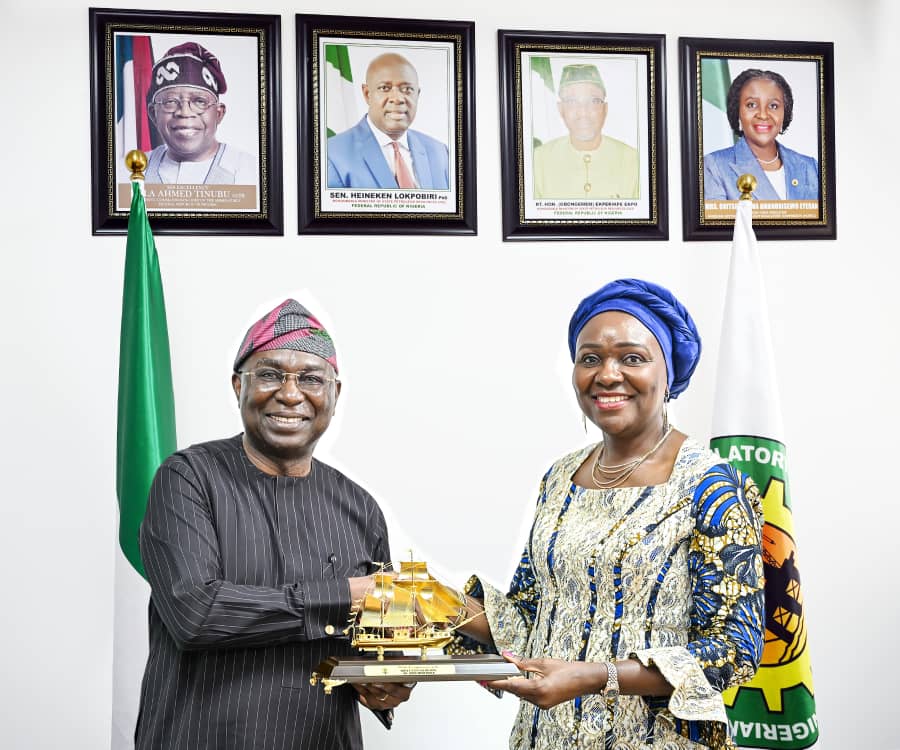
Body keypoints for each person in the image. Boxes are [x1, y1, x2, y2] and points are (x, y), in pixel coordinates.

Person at [446, 279, 764, 749]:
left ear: (669, 372)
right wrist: (433, 602)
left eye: (632, 358)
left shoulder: (712, 486)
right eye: (590, 358)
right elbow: (529, 618)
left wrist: (595, 676)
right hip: (543, 738)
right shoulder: (561, 477)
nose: (608, 374)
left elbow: (733, 650)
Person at [135, 299, 412, 750]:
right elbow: (195, 614)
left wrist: (390, 680)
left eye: (311, 378)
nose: (290, 393)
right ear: (238, 386)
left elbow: (384, 640)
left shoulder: (360, 509)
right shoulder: (188, 479)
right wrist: (341, 595)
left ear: (335, 394)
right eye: (269, 374)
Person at [326, 52, 450, 190]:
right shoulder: (331, 153)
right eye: (385, 88)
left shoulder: (441, 153)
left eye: (407, 89)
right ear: (367, 94)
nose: (397, 98)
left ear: (417, 94)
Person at [144, 42, 258, 185]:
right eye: (170, 101)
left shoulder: (252, 171)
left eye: (199, 101)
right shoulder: (128, 170)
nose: (185, 112)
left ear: (219, 114)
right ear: (153, 114)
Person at [703, 68, 819, 201]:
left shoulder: (810, 167)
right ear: (737, 111)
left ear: (785, 112)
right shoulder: (714, 166)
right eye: (751, 105)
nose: (763, 115)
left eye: (773, 106)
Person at [533, 64, 639, 200]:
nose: (583, 112)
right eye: (572, 101)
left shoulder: (633, 161)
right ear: (560, 109)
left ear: (605, 109)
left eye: (593, 101)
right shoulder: (539, 161)